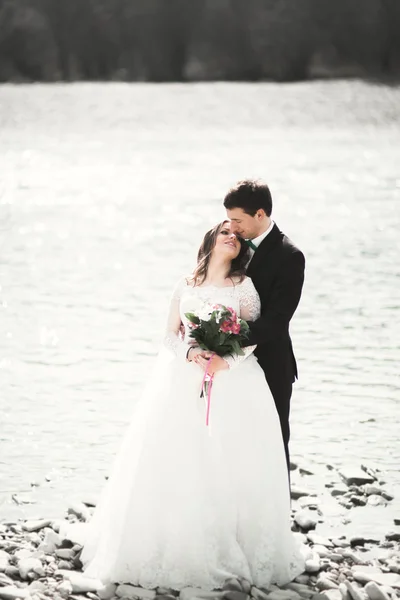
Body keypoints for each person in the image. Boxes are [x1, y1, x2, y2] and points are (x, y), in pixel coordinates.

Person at [63, 221, 305, 591]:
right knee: (177, 454)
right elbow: (169, 335)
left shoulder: (244, 287)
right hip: (182, 377)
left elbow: (253, 335)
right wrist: (192, 351)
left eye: (237, 237)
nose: (232, 238)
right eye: (225, 232)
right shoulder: (185, 283)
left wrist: (227, 359)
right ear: (210, 239)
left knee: (232, 456)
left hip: (234, 379)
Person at [215, 179, 305, 473]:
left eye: (238, 221)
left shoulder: (290, 256)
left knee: (273, 442)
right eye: (229, 221)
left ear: (261, 214)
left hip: (270, 364)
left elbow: (277, 321)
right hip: (229, 369)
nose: (233, 228)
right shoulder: (232, 243)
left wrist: (223, 343)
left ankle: (278, 515)